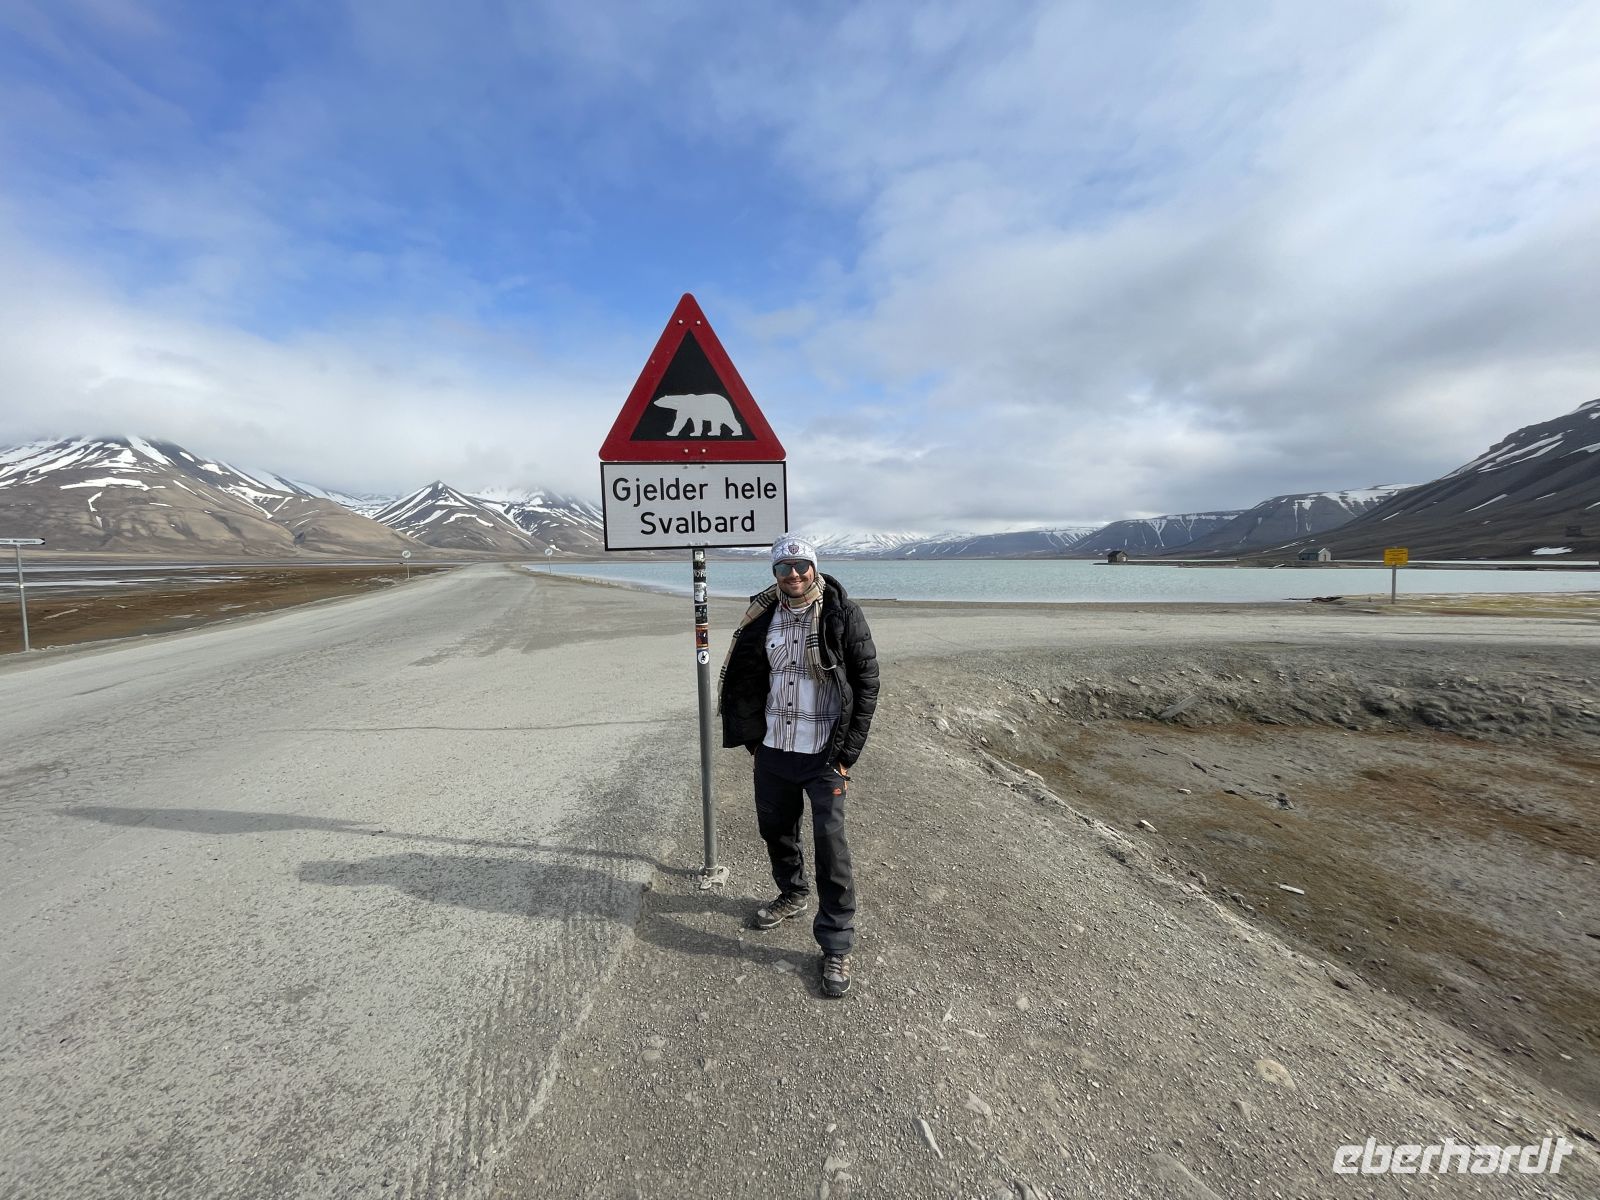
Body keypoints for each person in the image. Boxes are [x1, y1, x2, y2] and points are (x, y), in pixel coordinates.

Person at [718, 533, 880, 997]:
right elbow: (747, 678)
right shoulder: (762, 615)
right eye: (784, 567)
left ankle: (835, 943)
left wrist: (848, 754)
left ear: (814, 566)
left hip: (824, 752)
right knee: (776, 830)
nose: (794, 574)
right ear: (774, 572)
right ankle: (791, 893)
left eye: (801, 565)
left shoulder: (840, 613)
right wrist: (753, 740)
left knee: (831, 846)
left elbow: (867, 681)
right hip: (774, 747)